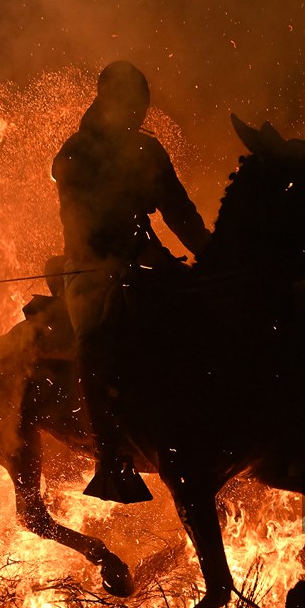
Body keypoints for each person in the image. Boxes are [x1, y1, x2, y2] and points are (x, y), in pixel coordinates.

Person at [52, 61, 211, 503]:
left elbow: (179, 212)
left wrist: (214, 254)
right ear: (107, 101)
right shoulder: (74, 155)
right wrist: (119, 260)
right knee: (93, 342)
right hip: (91, 270)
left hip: (148, 260)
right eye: (131, 103)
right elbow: (82, 224)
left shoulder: (148, 151)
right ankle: (111, 458)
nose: (139, 113)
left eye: (143, 104)